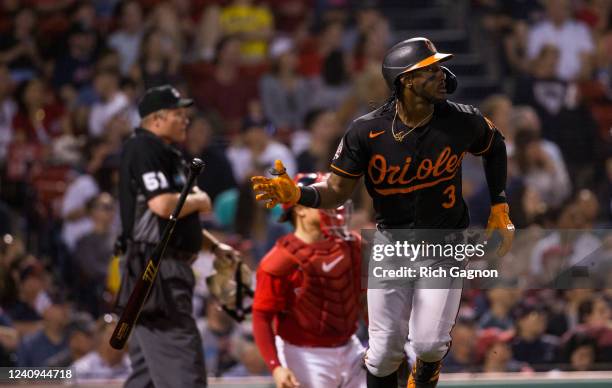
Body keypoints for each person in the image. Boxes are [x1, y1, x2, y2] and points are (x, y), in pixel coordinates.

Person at [251, 37, 514, 388]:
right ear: (405, 79)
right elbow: (336, 191)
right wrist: (298, 193)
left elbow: (495, 147)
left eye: (439, 67)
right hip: (392, 242)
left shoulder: (461, 120)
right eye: (430, 69)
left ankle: (427, 367)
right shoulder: (367, 131)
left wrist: (500, 204)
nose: (441, 75)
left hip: (444, 242)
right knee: (384, 352)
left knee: (429, 344)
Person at [116, 84, 241, 388]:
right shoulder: (145, 147)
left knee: (147, 375)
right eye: (177, 114)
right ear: (156, 119)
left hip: (161, 266)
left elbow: (175, 224)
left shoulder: (168, 154)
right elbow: (163, 206)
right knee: (184, 373)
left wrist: (215, 246)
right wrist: (200, 199)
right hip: (156, 272)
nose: (185, 119)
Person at [252, 173, 365, 388]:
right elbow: (261, 317)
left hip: (351, 346)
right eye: (322, 200)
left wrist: (385, 345)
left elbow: (366, 297)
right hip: (303, 353)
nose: (333, 205)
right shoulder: (280, 259)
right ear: (300, 208)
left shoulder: (352, 246)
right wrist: (276, 366)